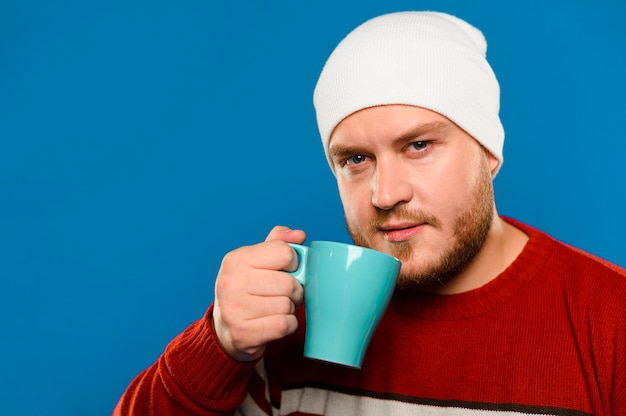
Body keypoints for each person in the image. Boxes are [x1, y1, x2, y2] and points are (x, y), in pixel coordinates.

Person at [113, 11, 626, 415]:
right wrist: (220, 345)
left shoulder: (609, 321)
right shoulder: (280, 323)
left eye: (419, 145)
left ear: (489, 152)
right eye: (355, 159)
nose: (384, 193)